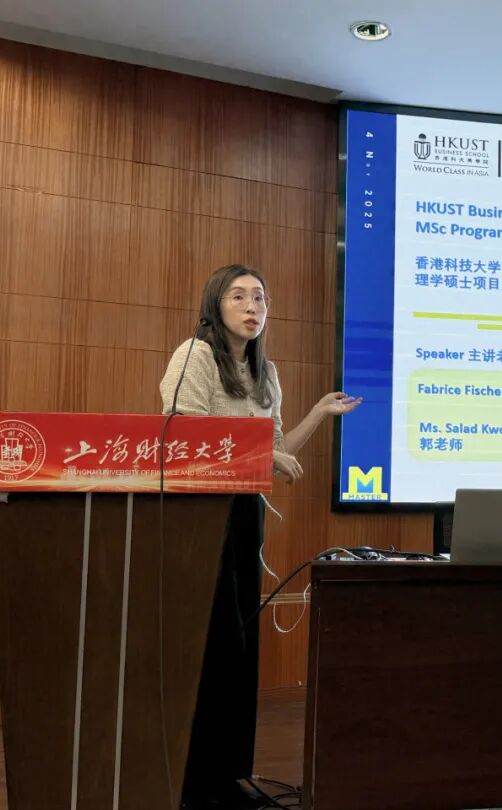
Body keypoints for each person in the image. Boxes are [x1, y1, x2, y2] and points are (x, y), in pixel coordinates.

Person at [159, 263, 360, 809]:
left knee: (241, 645)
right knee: (213, 644)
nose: (253, 307)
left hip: (246, 513)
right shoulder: (194, 356)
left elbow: (276, 455)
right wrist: (262, 456)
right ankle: (196, 783)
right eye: (239, 296)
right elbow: (186, 438)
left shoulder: (266, 373)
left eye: (261, 298)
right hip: (199, 516)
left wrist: (319, 413)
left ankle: (232, 775)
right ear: (215, 304)